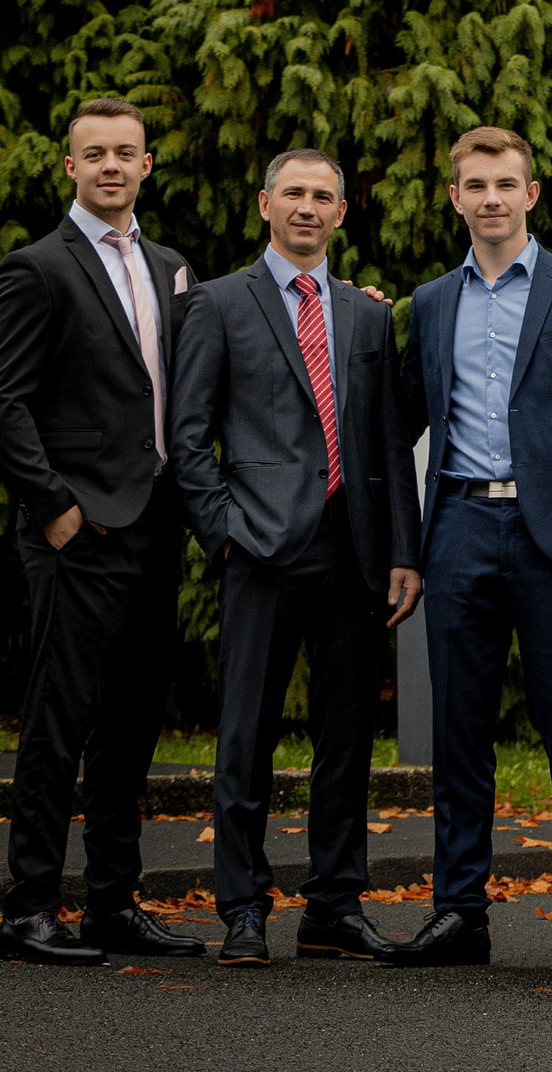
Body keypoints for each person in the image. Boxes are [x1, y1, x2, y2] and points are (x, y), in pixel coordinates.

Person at [384, 127, 552, 973]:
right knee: (458, 734)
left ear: (531, 194)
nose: (490, 198)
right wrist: (406, 547)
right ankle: (458, 911)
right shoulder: (429, 304)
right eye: (474, 184)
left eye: (505, 183)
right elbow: (398, 427)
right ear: (454, 197)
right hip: (458, 525)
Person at [168, 150, 421, 966]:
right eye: (294, 195)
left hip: (353, 551)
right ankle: (242, 908)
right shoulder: (216, 304)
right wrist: (225, 531)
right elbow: (187, 436)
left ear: (341, 213)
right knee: (246, 737)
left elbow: (388, 438)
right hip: (263, 549)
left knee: (345, 741)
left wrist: (402, 552)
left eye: (323, 196)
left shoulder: (368, 315)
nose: (307, 208)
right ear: (265, 204)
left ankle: (334, 908)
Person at [0, 99, 205, 966]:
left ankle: (112, 903)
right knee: (58, 721)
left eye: (126, 152)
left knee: (132, 725)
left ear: (147, 165)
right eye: (93, 153)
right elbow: (3, 399)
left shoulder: (172, 266)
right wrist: (54, 507)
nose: (111, 165)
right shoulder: (36, 267)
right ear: (68, 166)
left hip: (155, 526)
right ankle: (29, 909)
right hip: (78, 529)